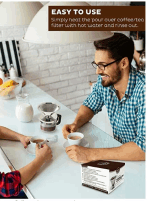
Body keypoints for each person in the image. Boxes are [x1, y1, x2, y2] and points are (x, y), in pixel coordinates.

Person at [62, 33, 145, 163]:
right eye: (97, 65)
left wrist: (90, 154)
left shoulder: (145, 91)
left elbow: (144, 148)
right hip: (123, 159)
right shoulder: (107, 82)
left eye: (103, 65)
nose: (98, 71)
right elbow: (90, 105)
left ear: (123, 63)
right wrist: (76, 123)